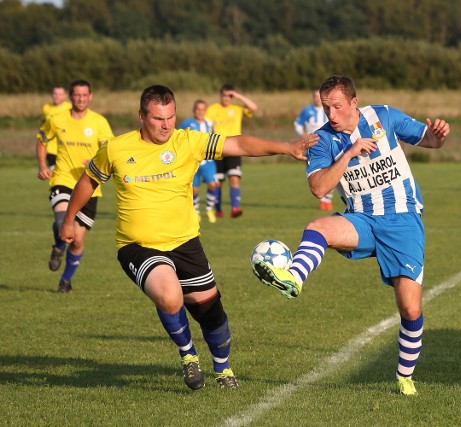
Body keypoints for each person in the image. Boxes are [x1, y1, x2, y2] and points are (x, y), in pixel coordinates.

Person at [59, 85, 317, 391]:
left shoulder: (187, 141)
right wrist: (69, 217)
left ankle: (223, 369)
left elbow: (239, 144)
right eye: (158, 118)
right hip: (137, 247)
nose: (166, 124)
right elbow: (88, 180)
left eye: (170, 117)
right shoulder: (116, 148)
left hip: (185, 243)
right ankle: (188, 356)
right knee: (169, 294)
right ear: (141, 116)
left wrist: (286, 148)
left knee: (212, 314)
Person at [252, 75, 450, 396]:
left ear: (354, 103)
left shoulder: (383, 116)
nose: (331, 114)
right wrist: (348, 154)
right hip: (362, 220)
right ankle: (293, 278)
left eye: (337, 107)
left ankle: (404, 376)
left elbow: (429, 139)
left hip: (403, 221)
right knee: (318, 228)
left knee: (410, 309)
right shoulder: (322, 139)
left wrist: (439, 134)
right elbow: (318, 188)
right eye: (326, 107)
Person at [36, 79, 114, 293]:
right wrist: (43, 165)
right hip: (62, 179)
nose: (80, 98)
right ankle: (59, 247)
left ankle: (65, 280)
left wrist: (97, 162)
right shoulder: (56, 118)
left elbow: (109, 149)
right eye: (77, 95)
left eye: (84, 95)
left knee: (77, 241)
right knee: (62, 222)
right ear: (71, 97)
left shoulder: (99, 122)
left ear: (90, 97)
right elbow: (42, 140)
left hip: (90, 185)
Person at [204, 83, 257, 218]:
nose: (226, 99)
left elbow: (253, 107)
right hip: (217, 149)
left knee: (234, 178)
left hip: (234, 149)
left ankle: (235, 208)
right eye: (224, 96)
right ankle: (218, 210)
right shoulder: (212, 109)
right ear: (220, 96)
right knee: (218, 182)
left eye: (229, 96)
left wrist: (238, 95)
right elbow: (205, 125)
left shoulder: (237, 109)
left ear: (232, 97)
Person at [178, 99, 220, 223]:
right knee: (194, 189)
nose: (200, 112)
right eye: (198, 109)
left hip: (208, 161)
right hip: (192, 162)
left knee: (213, 184)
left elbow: (214, 138)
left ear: (205, 111)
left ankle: (209, 209)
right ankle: (196, 212)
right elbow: (178, 137)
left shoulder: (209, 123)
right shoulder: (186, 123)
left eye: (202, 109)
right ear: (194, 110)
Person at [294, 89, 334, 210]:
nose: (317, 99)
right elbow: (297, 124)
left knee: (330, 171)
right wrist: (303, 135)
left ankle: (327, 200)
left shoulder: (329, 109)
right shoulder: (307, 110)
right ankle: (323, 200)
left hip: (328, 146)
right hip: (312, 147)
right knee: (316, 173)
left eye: (319, 96)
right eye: (315, 96)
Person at [40, 85, 72, 170]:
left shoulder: (70, 107)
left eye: (60, 94)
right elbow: (43, 123)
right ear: (51, 94)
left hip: (66, 145)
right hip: (51, 147)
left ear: (65, 96)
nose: (57, 96)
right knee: (54, 172)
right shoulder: (46, 107)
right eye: (55, 94)